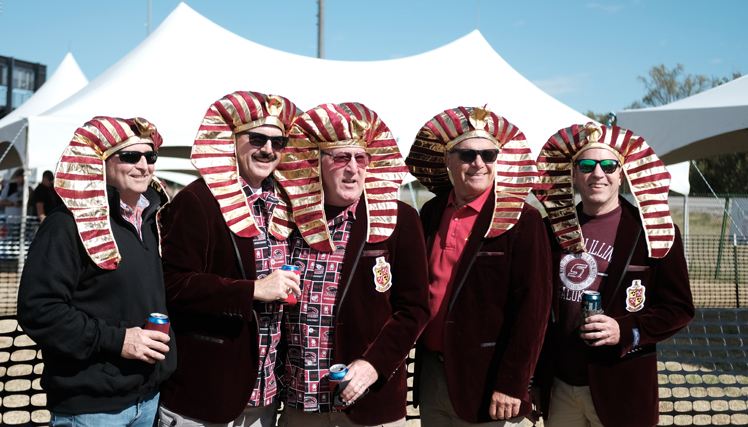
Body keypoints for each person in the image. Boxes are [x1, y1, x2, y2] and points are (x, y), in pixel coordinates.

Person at [274, 102, 430, 427]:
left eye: (361, 158)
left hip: (369, 400)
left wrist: (374, 364)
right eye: (340, 157)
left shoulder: (399, 219)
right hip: (300, 398)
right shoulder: (289, 218)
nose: (352, 168)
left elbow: (414, 307)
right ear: (316, 162)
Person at [532, 123, 694, 427]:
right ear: (574, 174)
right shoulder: (549, 230)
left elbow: (679, 309)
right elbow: (537, 310)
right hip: (560, 385)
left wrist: (626, 330)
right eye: (587, 165)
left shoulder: (654, 233)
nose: (598, 173)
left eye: (608, 165)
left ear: (622, 173)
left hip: (622, 385)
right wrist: (536, 382)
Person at [17, 117, 176, 426]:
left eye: (150, 156)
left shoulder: (154, 220)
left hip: (149, 398)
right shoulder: (65, 224)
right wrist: (117, 341)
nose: (144, 165)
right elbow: (39, 310)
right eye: (130, 156)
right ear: (99, 162)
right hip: (91, 409)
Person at [158, 91, 302, 426]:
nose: (267, 149)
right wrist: (251, 290)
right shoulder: (199, 199)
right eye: (257, 138)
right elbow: (171, 283)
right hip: (207, 390)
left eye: (278, 142)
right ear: (231, 141)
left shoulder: (286, 203)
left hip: (266, 392)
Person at [404, 106, 552, 426]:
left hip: (488, 381)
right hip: (431, 372)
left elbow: (533, 310)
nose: (479, 163)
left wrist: (513, 383)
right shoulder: (430, 212)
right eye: (468, 154)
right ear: (448, 159)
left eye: (489, 154)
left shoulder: (521, 220)